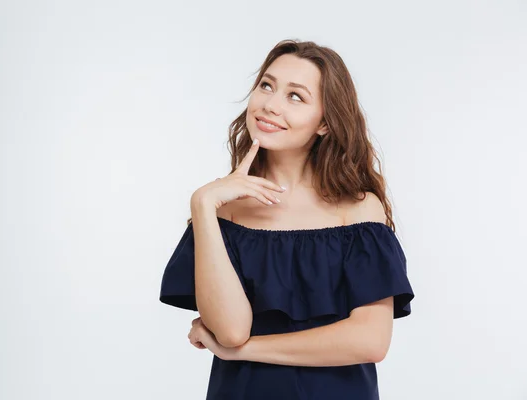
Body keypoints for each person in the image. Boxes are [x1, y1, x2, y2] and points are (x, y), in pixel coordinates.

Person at [159, 39, 415, 400]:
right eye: (267, 85)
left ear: (324, 123)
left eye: (295, 96)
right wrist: (202, 204)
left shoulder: (357, 210)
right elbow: (231, 330)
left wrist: (243, 352)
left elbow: (370, 341)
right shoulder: (222, 211)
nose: (270, 105)